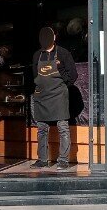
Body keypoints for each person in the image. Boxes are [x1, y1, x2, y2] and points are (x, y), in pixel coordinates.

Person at [30, 26, 78, 170]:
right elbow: (35, 76)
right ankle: (42, 160)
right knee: (42, 129)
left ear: (54, 37)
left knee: (63, 128)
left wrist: (61, 82)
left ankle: (63, 160)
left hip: (58, 96)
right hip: (42, 97)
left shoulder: (63, 54)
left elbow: (73, 76)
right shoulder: (37, 55)